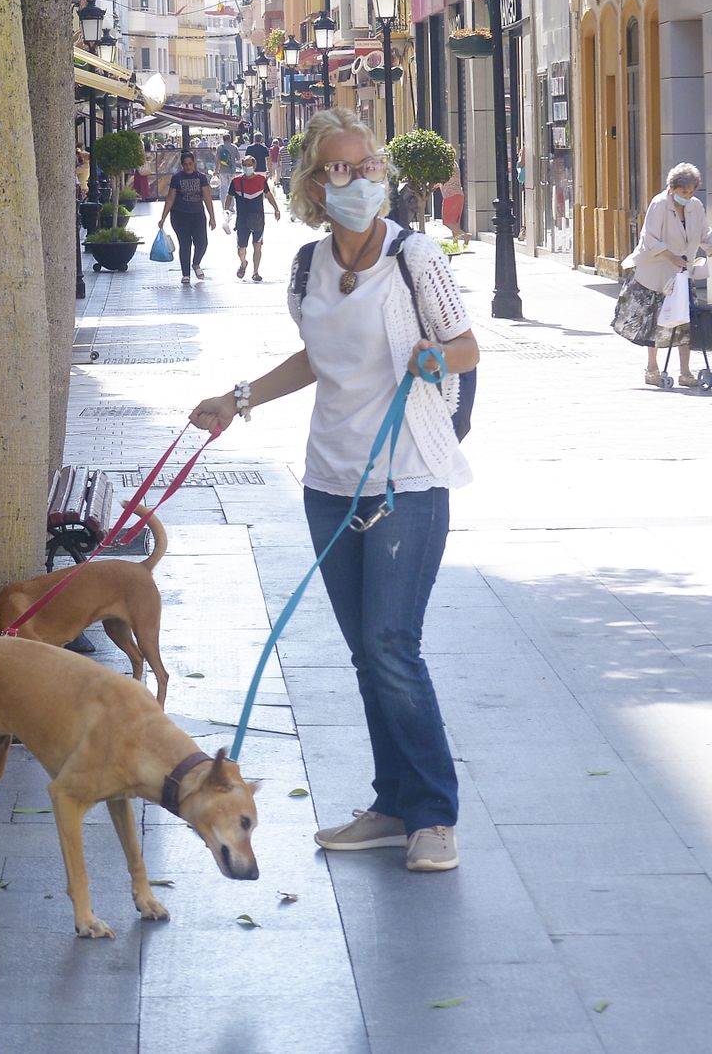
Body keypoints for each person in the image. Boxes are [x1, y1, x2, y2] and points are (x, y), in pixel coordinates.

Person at [188, 108, 480, 874]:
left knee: (391, 644)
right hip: (329, 481)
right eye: (343, 169)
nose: (360, 181)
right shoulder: (306, 267)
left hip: (407, 478)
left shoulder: (416, 259)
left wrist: (431, 359)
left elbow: (467, 346)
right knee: (364, 654)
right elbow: (315, 359)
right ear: (317, 183)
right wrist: (236, 397)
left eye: (370, 165)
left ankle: (433, 816)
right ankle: (392, 805)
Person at [614, 163, 712, 387]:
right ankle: (652, 368)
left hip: (682, 272)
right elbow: (649, 238)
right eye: (683, 192)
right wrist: (672, 257)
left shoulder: (695, 206)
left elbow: (705, 235)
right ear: (672, 188)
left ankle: (685, 373)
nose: (687, 196)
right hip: (657, 271)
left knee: (685, 320)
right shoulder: (659, 204)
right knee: (657, 320)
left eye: (690, 191)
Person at [158, 150, 217, 284]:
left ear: (194, 163)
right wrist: (163, 217)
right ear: (182, 165)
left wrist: (212, 217)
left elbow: (207, 198)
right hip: (180, 215)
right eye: (185, 164)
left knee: (202, 243)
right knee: (185, 244)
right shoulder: (177, 178)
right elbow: (170, 198)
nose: (188, 167)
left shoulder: (201, 178)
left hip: (198, 215)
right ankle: (186, 274)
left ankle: (196, 264)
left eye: (190, 164)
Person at [222, 154, 282, 281]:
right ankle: (243, 263)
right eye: (245, 165)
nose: (247, 167)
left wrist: (276, 209)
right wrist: (226, 212)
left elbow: (269, 195)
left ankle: (256, 272)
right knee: (241, 249)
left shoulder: (261, 180)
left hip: (258, 219)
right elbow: (229, 197)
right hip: (242, 220)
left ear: (254, 166)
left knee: (257, 245)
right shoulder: (236, 181)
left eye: (249, 165)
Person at [439, 161, 468, 244]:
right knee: (454, 223)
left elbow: (442, 178)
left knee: (447, 222)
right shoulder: (454, 164)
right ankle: (455, 244)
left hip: (450, 196)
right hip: (459, 195)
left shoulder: (446, 165)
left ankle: (465, 235)